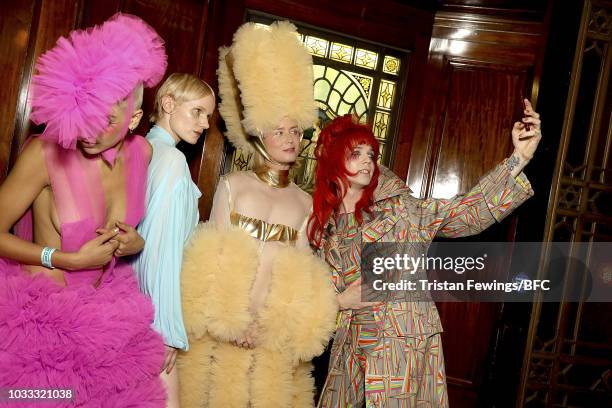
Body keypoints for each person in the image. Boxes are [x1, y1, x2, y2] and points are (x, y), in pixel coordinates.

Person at [308, 109, 542, 407]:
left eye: (371, 153)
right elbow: (310, 294)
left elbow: (465, 213)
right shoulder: (323, 228)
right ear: (332, 159)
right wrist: (340, 303)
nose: (368, 159)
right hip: (349, 351)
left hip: (401, 347)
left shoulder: (402, 210)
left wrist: (518, 159)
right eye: (356, 152)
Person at [0, 14, 169, 406]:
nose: (91, 129)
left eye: (108, 118)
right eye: (88, 110)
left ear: (136, 120)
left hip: (104, 316)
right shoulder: (45, 153)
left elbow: (131, 231)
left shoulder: (142, 154)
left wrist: (135, 241)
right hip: (38, 322)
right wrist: (63, 259)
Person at [177, 21, 337, 407]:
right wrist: (229, 322)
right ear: (260, 133)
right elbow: (208, 261)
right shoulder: (234, 185)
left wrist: (269, 328)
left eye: (296, 132)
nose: (289, 140)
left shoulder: (304, 203)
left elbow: (297, 276)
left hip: (269, 346)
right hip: (220, 337)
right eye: (279, 131)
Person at [132, 73, 215, 407]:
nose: (206, 123)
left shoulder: (141, 149)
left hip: (126, 305)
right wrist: (164, 328)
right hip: (151, 315)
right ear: (168, 104)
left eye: (208, 115)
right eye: (197, 112)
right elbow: (159, 250)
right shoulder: (172, 161)